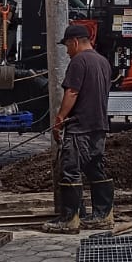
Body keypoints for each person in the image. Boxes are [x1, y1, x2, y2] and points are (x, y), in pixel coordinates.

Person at [44, 25, 114, 234]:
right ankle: (104, 215)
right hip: (99, 125)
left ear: (75, 42)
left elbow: (72, 92)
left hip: (79, 127)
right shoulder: (103, 62)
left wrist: (59, 118)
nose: (67, 51)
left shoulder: (78, 62)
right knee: (95, 168)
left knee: (70, 169)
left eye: (67, 46)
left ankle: (70, 218)